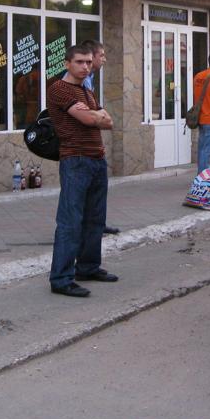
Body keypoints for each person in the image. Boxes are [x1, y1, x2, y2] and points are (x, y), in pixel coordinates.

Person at [47, 43, 117, 298]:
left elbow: (109, 121)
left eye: (88, 62)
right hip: (76, 161)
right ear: (67, 63)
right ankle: (61, 279)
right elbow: (90, 119)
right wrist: (97, 116)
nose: (86, 66)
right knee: (70, 221)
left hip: (97, 160)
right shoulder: (59, 89)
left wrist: (97, 116)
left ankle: (88, 267)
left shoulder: (86, 91)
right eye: (79, 62)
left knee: (95, 219)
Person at [79, 39, 119, 236]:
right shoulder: (79, 82)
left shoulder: (90, 79)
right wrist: (100, 116)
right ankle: (88, 225)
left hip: (93, 143)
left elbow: (97, 110)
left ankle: (97, 223)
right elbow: (90, 113)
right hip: (83, 146)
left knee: (98, 188)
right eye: (101, 55)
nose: (104, 59)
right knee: (86, 189)